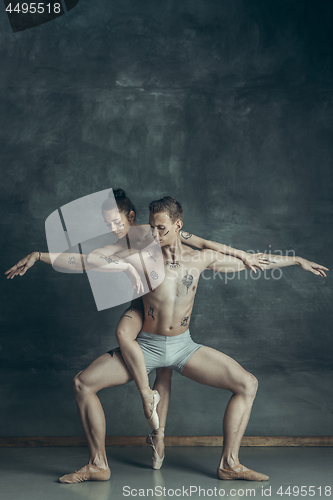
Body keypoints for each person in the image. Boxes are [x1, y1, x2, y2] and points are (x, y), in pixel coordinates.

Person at [31, 195, 326, 483]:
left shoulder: (200, 259)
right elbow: (84, 261)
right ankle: (98, 464)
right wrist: (40, 256)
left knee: (248, 383)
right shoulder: (141, 256)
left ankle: (229, 464)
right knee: (82, 383)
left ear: (178, 226)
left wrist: (296, 260)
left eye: (161, 227)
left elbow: (254, 262)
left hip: (184, 348)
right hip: (145, 346)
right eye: (151, 227)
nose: (155, 233)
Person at [5, 190, 266, 434]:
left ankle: (159, 435)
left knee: (165, 371)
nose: (113, 230)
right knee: (122, 334)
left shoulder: (152, 233)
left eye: (117, 223)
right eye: (108, 225)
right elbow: (84, 260)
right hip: (145, 313)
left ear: (131, 218)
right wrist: (40, 255)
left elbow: (203, 243)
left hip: (170, 327)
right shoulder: (127, 244)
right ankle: (145, 396)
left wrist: (245, 256)